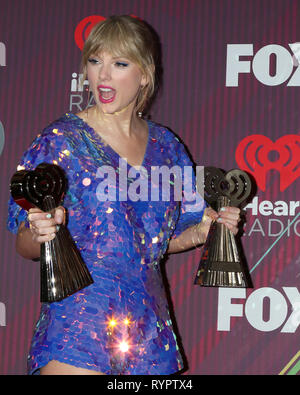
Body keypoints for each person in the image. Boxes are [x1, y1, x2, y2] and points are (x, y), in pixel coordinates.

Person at [7, 15, 240, 375]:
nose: (103, 75)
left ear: (144, 74)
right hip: (77, 324)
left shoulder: (167, 146)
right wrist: (38, 234)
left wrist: (204, 231)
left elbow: (155, 240)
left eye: (119, 64)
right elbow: (24, 240)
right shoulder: (61, 140)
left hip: (149, 327)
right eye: (95, 61)